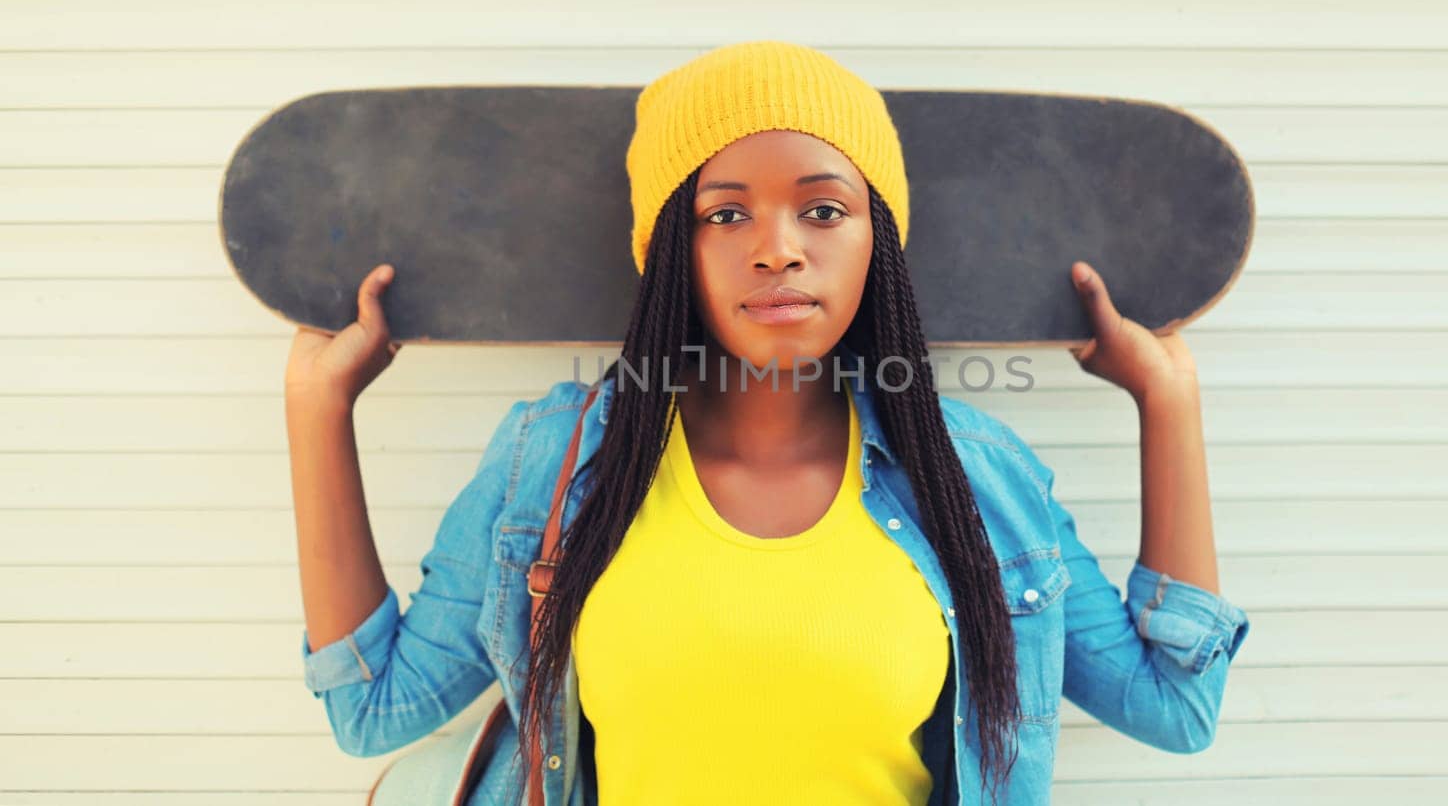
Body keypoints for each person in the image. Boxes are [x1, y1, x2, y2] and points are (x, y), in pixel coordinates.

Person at [287, 40, 1251, 806]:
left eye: (825, 211)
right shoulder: (554, 461)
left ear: (878, 241)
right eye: (725, 215)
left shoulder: (975, 479)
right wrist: (318, 409)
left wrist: (1168, 403)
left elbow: (1177, 706)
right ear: (669, 248)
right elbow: (375, 710)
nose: (779, 250)